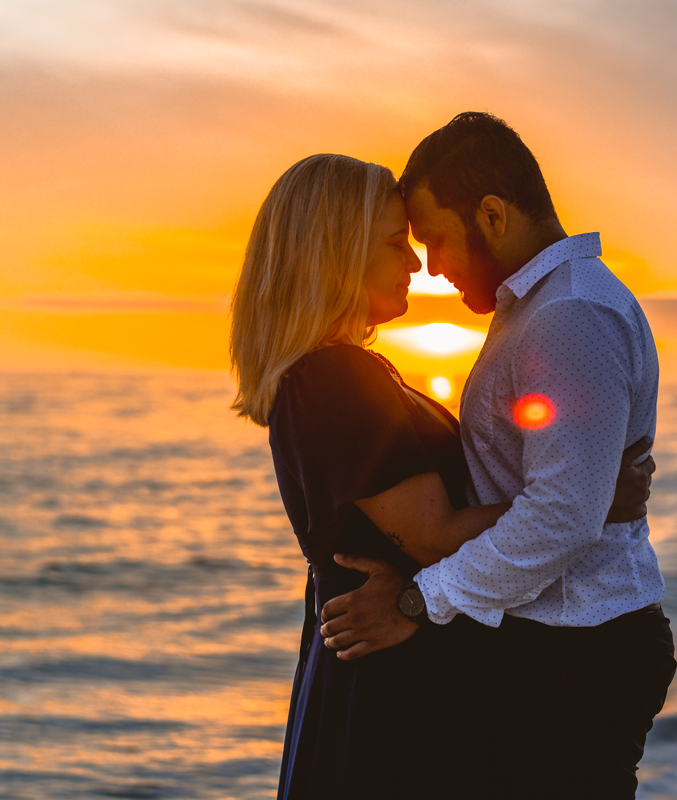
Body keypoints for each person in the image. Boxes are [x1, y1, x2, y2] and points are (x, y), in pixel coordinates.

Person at [228, 153, 655, 800]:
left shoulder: (343, 373)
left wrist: (578, 496)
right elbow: (434, 535)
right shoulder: (335, 379)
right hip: (387, 675)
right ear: (336, 255)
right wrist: (590, 499)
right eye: (397, 243)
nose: (415, 264)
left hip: (385, 661)